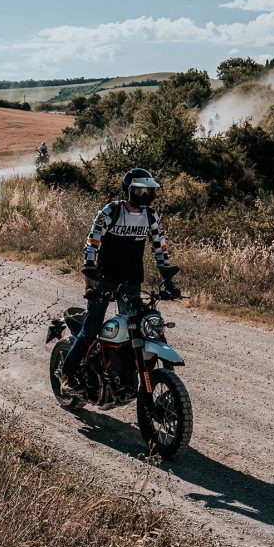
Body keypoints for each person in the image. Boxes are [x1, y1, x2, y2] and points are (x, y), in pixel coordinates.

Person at [57, 168, 179, 395]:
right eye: (140, 191)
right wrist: (90, 282)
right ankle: (68, 374)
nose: (145, 196)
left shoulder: (151, 216)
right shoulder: (111, 211)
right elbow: (92, 243)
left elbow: (159, 247)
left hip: (132, 280)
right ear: (128, 191)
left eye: (149, 192)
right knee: (92, 328)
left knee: (139, 329)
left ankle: (129, 377)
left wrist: (168, 279)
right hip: (104, 278)